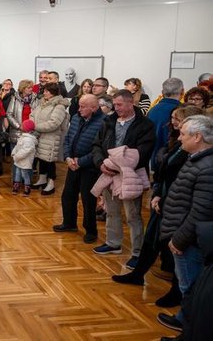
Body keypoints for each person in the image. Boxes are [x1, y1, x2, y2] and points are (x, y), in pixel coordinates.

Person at [112, 105, 203, 308]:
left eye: (177, 119)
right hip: (164, 199)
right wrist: (157, 195)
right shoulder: (177, 142)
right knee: (151, 239)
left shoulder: (193, 152)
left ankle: (177, 293)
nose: (173, 122)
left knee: (175, 248)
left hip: (177, 204)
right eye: (172, 118)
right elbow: (164, 172)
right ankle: (138, 274)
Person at [157, 114, 213, 335]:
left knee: (190, 287)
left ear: (197, 136)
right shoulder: (197, 159)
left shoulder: (207, 166)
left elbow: (201, 211)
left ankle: (186, 329)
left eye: (183, 134)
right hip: (183, 233)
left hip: (188, 239)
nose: (179, 138)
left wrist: (179, 239)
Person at [91, 90, 155, 268]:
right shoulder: (108, 121)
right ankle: (113, 243)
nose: (115, 107)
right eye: (114, 104)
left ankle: (137, 253)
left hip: (130, 175)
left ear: (130, 103)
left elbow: (143, 152)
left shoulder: (145, 125)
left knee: (133, 215)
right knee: (111, 210)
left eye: (119, 104)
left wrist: (118, 165)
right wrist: (100, 164)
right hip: (108, 173)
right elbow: (97, 145)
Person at [52, 94, 106, 243]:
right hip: (73, 164)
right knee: (68, 195)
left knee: (88, 200)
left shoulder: (103, 122)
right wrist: (68, 157)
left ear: (94, 108)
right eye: (79, 105)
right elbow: (68, 138)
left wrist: (81, 161)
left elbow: (100, 149)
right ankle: (69, 223)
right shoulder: (76, 117)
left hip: (89, 168)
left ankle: (90, 230)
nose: (79, 109)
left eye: (83, 106)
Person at [30, 82, 70, 195]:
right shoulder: (42, 103)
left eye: (47, 91)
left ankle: (51, 183)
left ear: (53, 93)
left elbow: (54, 123)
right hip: (40, 136)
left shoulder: (59, 106)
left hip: (51, 138)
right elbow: (32, 115)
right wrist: (33, 124)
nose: (44, 93)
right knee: (42, 159)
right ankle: (42, 179)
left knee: (49, 160)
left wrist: (36, 126)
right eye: (44, 91)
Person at [148, 78, 185, 169]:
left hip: (153, 159)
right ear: (182, 91)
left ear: (162, 92)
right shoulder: (182, 111)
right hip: (172, 161)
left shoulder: (152, 110)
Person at [6, 79, 37, 150]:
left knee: (29, 158)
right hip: (17, 132)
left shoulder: (35, 99)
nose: (31, 89)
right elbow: (9, 114)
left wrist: (31, 127)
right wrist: (18, 126)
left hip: (31, 132)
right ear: (23, 89)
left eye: (31, 87)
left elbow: (38, 115)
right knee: (16, 157)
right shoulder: (15, 99)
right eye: (28, 88)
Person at [11, 120, 38, 197]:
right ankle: (16, 186)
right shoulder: (22, 137)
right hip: (19, 161)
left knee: (25, 175)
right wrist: (13, 152)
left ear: (26, 129)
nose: (21, 126)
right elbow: (17, 146)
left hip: (25, 161)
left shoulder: (29, 140)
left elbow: (25, 151)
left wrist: (16, 156)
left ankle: (27, 188)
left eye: (23, 125)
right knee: (17, 174)